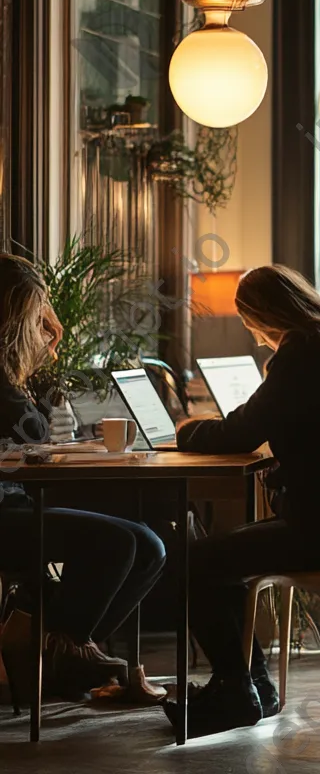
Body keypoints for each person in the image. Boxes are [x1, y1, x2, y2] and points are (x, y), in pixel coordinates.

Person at [166, 265, 320, 738]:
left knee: (193, 560)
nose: (253, 333)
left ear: (260, 315)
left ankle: (236, 690)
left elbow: (243, 430)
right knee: (212, 557)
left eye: (249, 322)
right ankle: (253, 686)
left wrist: (186, 431)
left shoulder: (302, 353)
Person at [0, 255, 167, 701]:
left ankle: (60, 646)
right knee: (116, 542)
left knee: (148, 544)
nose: (42, 328)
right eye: (35, 316)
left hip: (16, 501)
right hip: (5, 510)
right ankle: (56, 651)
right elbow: (30, 431)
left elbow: (29, 437)